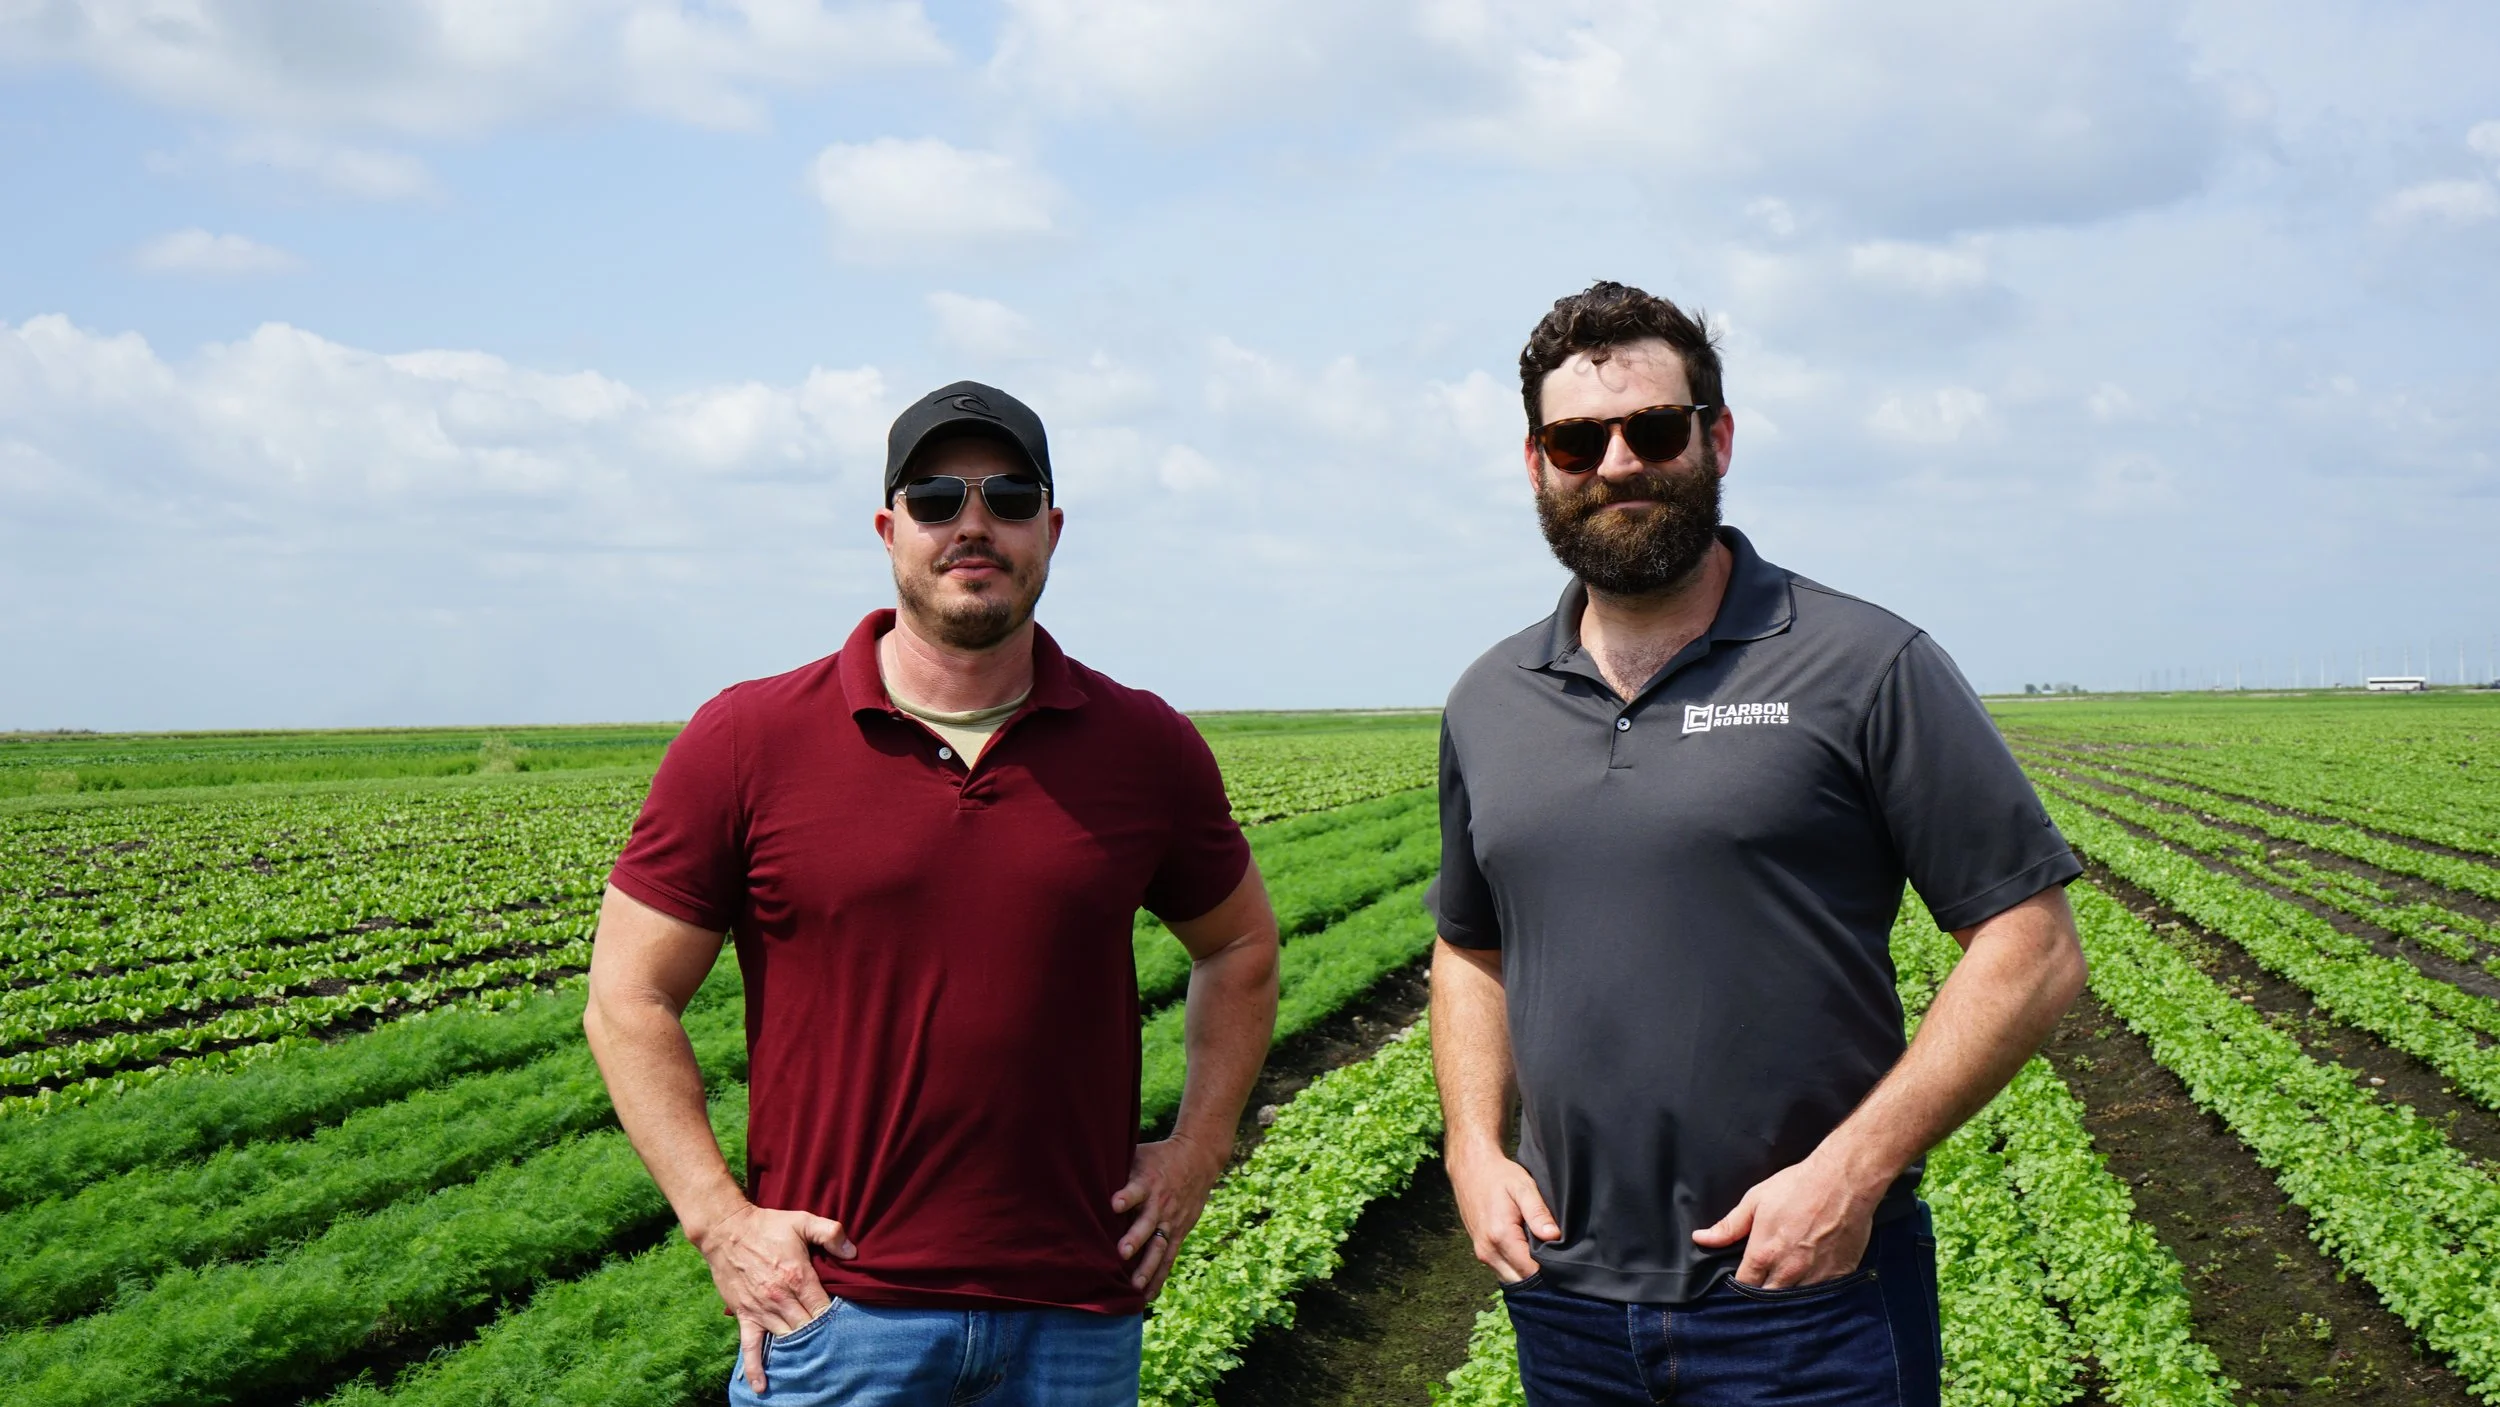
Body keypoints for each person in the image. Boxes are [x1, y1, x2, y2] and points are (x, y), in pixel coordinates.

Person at [1427, 283, 2088, 1406]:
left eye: (1655, 429)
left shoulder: (1864, 663)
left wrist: (1852, 1173)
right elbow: (1470, 950)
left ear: (1715, 437)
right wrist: (1471, 1152)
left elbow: (2031, 946)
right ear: (1537, 461)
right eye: (1578, 439)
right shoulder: (1490, 699)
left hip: (1803, 1291)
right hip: (1564, 1301)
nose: (1619, 462)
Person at [585, 380, 1280, 1406]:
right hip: (836, 1318)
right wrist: (720, 1221)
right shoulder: (747, 740)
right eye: (935, 498)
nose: (973, 524)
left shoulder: (1143, 746)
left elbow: (1241, 948)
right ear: (887, 527)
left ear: (1050, 527)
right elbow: (627, 998)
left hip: (1073, 1321)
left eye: (1006, 496)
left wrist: (1197, 1153)